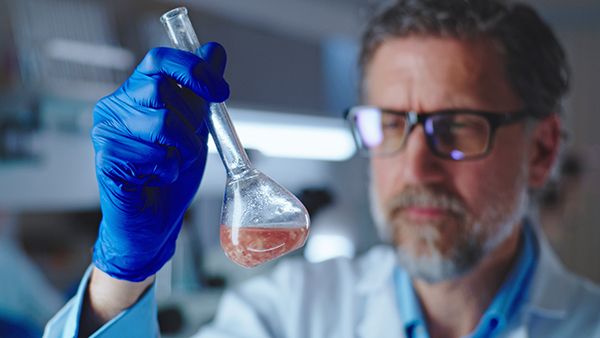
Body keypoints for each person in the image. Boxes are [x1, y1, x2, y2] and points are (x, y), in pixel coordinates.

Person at [44, 0, 600, 337]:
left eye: (456, 127)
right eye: (388, 123)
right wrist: (121, 278)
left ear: (541, 150)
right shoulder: (288, 313)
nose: (414, 167)